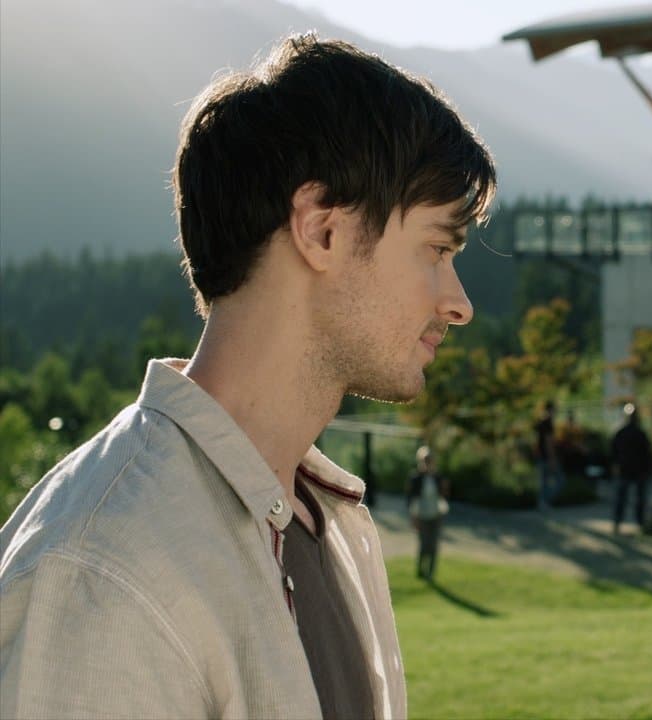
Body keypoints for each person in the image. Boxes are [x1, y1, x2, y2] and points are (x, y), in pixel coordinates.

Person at [0, 35, 495, 719]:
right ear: (321, 231)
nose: (459, 304)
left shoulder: (321, 518)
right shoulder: (102, 571)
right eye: (436, 249)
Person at [407, 446, 450, 581]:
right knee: (423, 544)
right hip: (422, 515)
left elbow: (443, 496)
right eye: (426, 460)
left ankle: (431, 572)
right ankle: (420, 571)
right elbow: (412, 500)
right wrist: (414, 518)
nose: (428, 463)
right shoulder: (416, 478)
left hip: (436, 515)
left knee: (434, 544)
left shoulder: (438, 477)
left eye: (430, 460)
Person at [610, 403, 652, 533]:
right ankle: (636, 522)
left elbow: (613, 452)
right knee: (633, 498)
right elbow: (648, 453)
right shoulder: (637, 433)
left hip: (629, 469)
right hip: (634, 470)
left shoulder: (622, 432)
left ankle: (622, 522)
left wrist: (615, 465)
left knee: (625, 498)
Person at [534, 400, 565, 510]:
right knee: (560, 480)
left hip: (541, 456)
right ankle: (546, 500)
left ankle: (543, 502)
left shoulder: (541, 422)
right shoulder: (547, 423)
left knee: (544, 481)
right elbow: (548, 443)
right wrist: (552, 458)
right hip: (546, 457)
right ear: (551, 410)